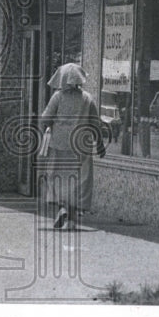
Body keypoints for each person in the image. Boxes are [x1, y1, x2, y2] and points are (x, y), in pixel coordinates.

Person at [39, 63, 106, 229]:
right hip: (81, 145)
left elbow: (45, 118)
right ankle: (72, 219)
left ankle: (62, 208)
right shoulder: (87, 98)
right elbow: (95, 123)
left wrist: (47, 130)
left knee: (58, 177)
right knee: (79, 181)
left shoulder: (57, 96)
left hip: (59, 144)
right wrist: (100, 145)